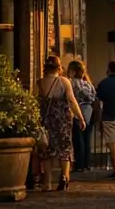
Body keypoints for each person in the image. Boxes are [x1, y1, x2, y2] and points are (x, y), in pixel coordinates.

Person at [33, 55, 84, 190]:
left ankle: (47, 183)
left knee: (47, 151)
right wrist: (80, 117)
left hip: (46, 121)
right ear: (59, 67)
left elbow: (34, 102)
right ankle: (64, 177)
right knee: (64, 149)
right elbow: (72, 101)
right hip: (63, 121)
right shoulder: (64, 81)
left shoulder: (39, 83)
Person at [68, 60, 97, 173]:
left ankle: (79, 164)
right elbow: (93, 97)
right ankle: (86, 163)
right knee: (87, 139)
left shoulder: (71, 83)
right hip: (88, 111)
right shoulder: (88, 83)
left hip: (77, 112)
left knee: (78, 138)